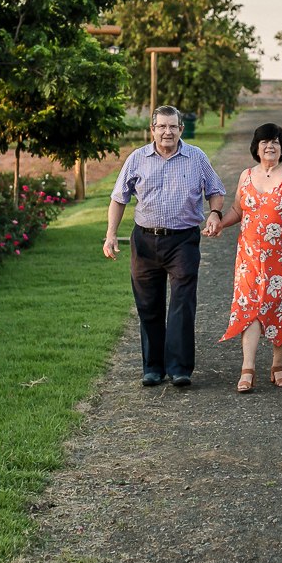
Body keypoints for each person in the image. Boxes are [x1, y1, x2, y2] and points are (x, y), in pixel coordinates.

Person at [104, 105, 225, 387]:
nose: (167, 132)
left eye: (173, 126)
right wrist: (111, 234)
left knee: (182, 304)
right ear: (153, 130)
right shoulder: (137, 159)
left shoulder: (196, 157)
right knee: (148, 304)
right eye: (162, 126)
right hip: (144, 241)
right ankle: (153, 367)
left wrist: (215, 214)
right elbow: (119, 198)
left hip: (183, 240)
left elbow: (216, 190)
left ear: (181, 129)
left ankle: (180, 367)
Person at [215, 123, 282, 392]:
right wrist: (218, 223)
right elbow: (237, 211)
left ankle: (279, 364)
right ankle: (247, 368)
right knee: (249, 308)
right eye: (264, 141)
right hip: (249, 256)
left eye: (275, 141)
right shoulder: (246, 175)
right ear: (256, 147)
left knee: (279, 308)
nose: (270, 146)